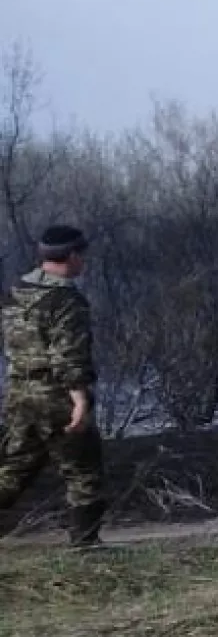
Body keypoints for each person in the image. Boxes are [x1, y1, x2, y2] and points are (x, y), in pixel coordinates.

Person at [0, 224, 106, 546]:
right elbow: (68, 354)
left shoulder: (14, 292)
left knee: (14, 468)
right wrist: (80, 400)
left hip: (19, 393)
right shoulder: (67, 301)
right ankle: (85, 545)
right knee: (83, 470)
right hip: (55, 395)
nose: (83, 262)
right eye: (81, 255)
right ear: (71, 256)